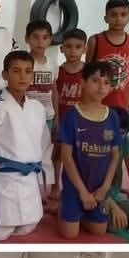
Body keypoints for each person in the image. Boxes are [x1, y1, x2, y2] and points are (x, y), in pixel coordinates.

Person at [0, 50, 53, 241]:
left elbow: (44, 146)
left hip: (30, 178)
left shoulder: (37, 108)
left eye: (28, 71)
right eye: (16, 71)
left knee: (28, 228)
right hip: (4, 179)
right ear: (5, 74)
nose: (23, 76)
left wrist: (45, 183)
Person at [57, 61, 122, 240]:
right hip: (75, 186)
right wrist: (82, 192)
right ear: (83, 82)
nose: (101, 86)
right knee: (69, 234)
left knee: (99, 231)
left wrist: (105, 187)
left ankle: (82, 214)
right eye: (95, 80)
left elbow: (115, 155)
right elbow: (66, 157)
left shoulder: (112, 116)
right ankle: (65, 206)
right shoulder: (71, 116)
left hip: (99, 187)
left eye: (106, 82)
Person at [51, 28, 88, 212]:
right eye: (68, 47)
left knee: (79, 155)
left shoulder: (88, 72)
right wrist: (56, 118)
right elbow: (54, 95)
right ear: (61, 48)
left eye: (78, 47)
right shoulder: (57, 72)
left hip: (81, 121)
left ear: (85, 49)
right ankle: (55, 184)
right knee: (58, 153)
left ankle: (76, 185)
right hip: (63, 119)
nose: (73, 51)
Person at [86, 0, 129, 112]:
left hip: (122, 105)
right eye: (114, 15)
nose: (118, 19)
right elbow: (87, 74)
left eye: (123, 15)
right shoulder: (95, 41)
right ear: (106, 18)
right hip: (97, 104)